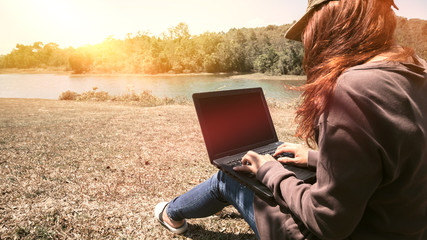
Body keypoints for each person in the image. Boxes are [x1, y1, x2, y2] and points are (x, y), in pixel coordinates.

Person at [154, 0, 427, 239]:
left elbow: (328, 222)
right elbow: (400, 162)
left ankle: (170, 214)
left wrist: (270, 171)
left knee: (229, 177)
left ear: (330, 20)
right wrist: (315, 158)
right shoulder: (416, 71)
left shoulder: (354, 87)